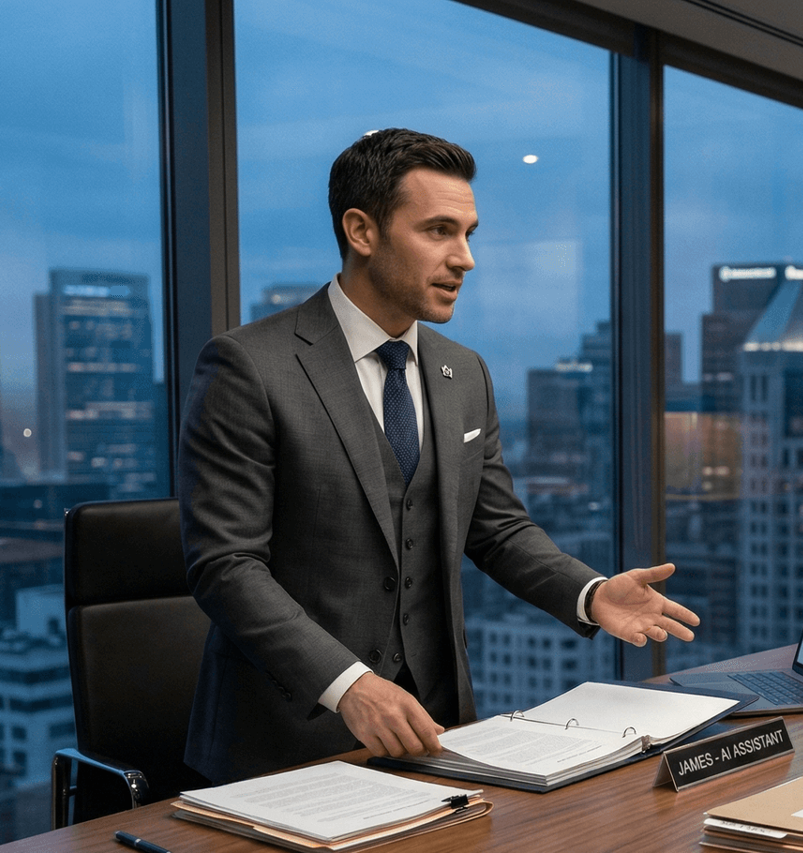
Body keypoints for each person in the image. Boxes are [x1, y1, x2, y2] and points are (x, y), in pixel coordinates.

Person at [179, 129, 699, 785]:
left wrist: (590, 594)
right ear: (362, 230)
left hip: (440, 737)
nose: (466, 259)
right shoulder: (248, 367)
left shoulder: (465, 373)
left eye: (469, 233)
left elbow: (498, 528)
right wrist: (349, 684)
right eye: (439, 231)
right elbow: (226, 566)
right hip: (284, 751)